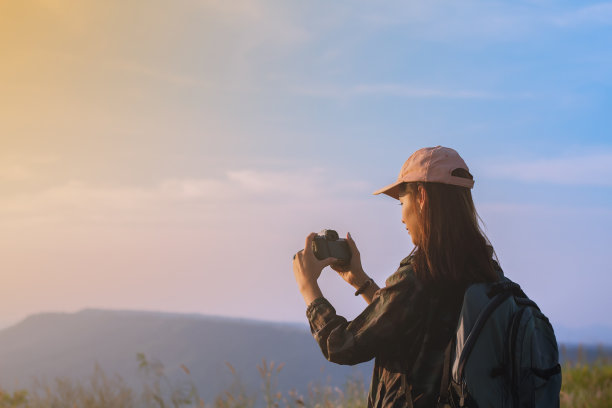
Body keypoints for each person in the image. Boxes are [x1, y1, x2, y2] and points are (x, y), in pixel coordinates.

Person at [292, 146, 501, 408]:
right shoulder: (486, 272)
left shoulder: (421, 274)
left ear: (421, 196)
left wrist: (309, 288)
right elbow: (407, 322)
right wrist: (361, 281)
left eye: (402, 203)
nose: (402, 216)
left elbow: (342, 345)